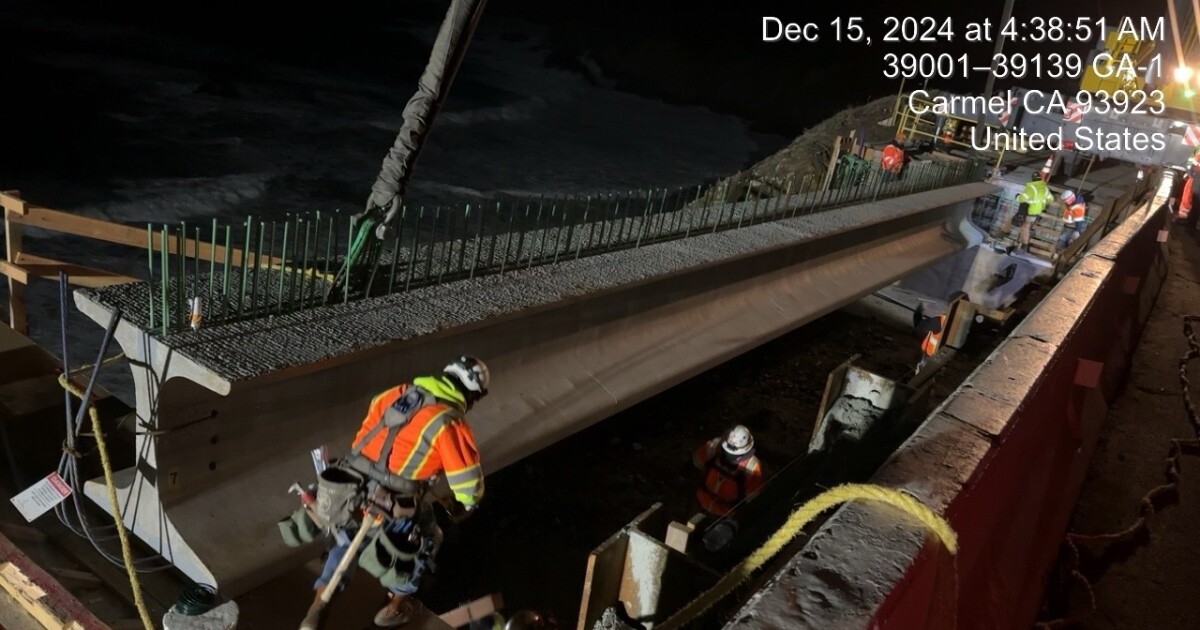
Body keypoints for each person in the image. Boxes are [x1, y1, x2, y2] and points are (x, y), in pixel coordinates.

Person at [302, 356, 490, 629]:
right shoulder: (450, 422)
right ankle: (395, 606)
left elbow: (373, 431)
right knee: (430, 537)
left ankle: (317, 606)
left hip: (351, 483)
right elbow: (468, 486)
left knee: (345, 540)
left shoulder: (397, 392)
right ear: (472, 394)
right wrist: (465, 503)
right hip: (393, 499)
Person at [693, 425, 764, 516]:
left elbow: (753, 498)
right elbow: (697, 462)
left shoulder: (753, 466)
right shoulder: (715, 446)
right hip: (701, 500)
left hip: (725, 513)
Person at [1013, 172, 1052, 252]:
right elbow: (1051, 199)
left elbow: (1022, 199)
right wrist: (1042, 203)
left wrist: (1017, 197)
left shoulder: (1031, 188)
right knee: (1025, 227)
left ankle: (1024, 244)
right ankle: (1021, 244)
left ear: (1032, 179)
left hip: (1028, 211)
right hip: (1037, 212)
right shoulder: (1044, 188)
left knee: (1024, 227)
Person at [912, 301, 947, 374]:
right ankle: (921, 305)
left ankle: (921, 305)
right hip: (940, 326)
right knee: (918, 326)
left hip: (930, 351)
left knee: (919, 327)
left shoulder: (941, 357)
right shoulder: (940, 323)